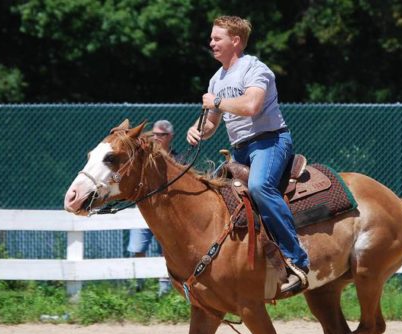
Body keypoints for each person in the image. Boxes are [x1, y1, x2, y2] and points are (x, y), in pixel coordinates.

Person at [186, 15, 309, 294]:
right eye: (212, 38)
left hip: (270, 142)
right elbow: (211, 123)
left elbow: (252, 105)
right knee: (213, 194)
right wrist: (196, 130)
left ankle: (297, 261)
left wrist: (216, 101)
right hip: (240, 149)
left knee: (259, 187)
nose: (211, 43)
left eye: (217, 38)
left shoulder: (255, 68)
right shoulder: (216, 79)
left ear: (236, 41)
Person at [128, 120, 180, 296]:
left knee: (165, 250)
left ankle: (163, 290)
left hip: (166, 214)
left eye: (162, 135)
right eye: (156, 134)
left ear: (170, 137)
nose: (158, 137)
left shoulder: (177, 160)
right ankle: (138, 287)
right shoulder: (145, 157)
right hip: (143, 212)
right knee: (137, 248)